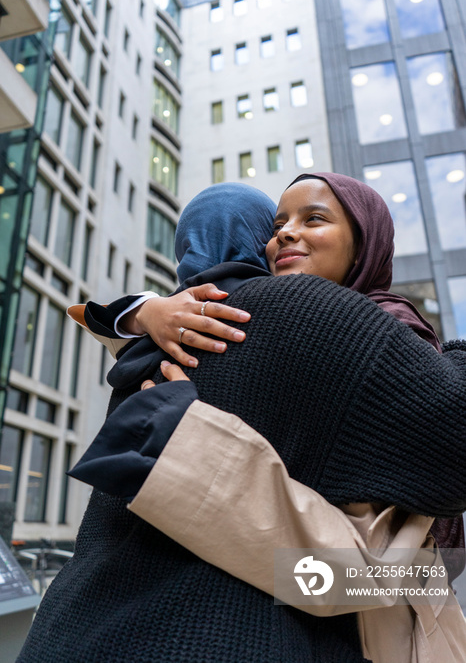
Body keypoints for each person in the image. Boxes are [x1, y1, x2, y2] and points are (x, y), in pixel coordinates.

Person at [18, 178, 466, 663]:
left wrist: (144, 310)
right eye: (275, 225)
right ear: (258, 241)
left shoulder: (147, 349)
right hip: (234, 633)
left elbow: (94, 314)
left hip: (73, 626)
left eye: (312, 219)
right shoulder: (319, 314)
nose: (287, 235)